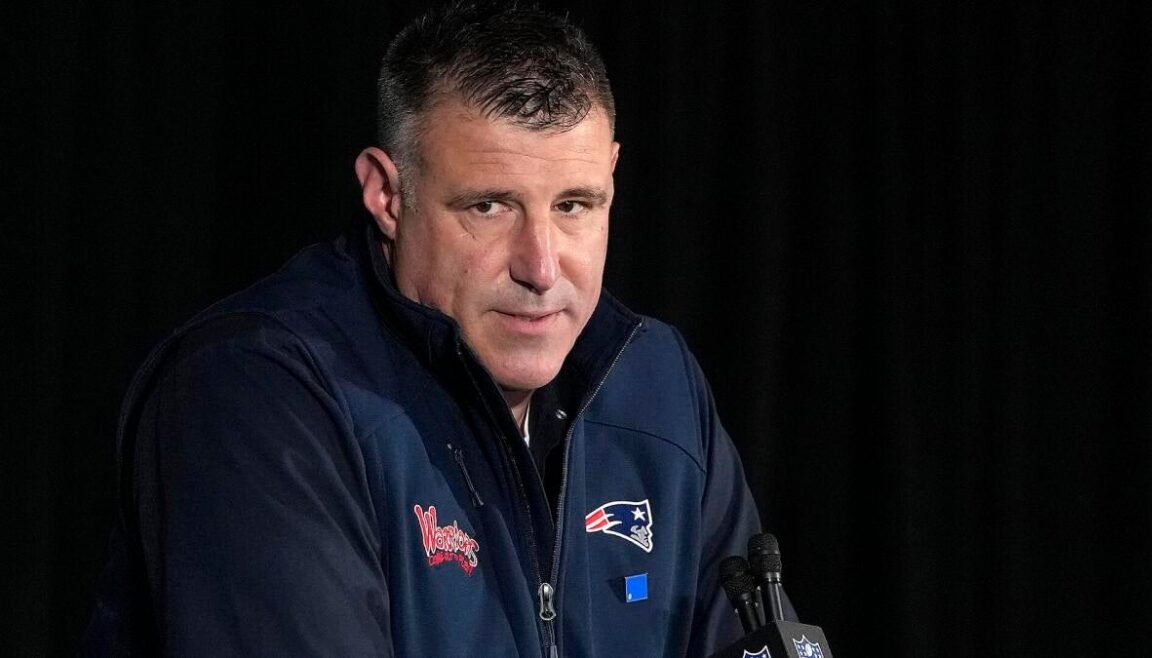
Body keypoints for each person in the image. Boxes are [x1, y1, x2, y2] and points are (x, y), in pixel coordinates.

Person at [84, 2, 794, 655]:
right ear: (388, 195)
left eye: (574, 205)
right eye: (490, 207)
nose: (542, 267)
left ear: (612, 174)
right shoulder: (256, 387)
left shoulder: (656, 381)